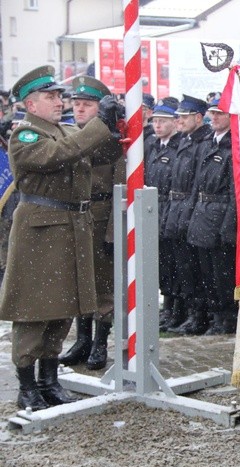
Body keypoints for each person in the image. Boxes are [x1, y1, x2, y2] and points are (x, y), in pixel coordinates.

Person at [0, 65, 123, 410]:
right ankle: (27, 386)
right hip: (41, 230)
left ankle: (48, 381)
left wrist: (115, 128)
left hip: (71, 227)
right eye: (50, 96)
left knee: (62, 306)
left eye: (58, 95)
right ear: (30, 104)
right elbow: (59, 155)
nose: (59, 101)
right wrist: (98, 126)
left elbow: (99, 155)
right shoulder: (25, 135)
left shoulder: (64, 130)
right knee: (34, 309)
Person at [59, 76, 126, 370]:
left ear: (101, 109)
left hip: (100, 217)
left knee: (102, 285)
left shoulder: (114, 141)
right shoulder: (69, 135)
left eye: (87, 105)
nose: (79, 110)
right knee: (78, 282)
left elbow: (119, 186)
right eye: (76, 104)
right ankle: (82, 339)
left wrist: (113, 232)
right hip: (75, 217)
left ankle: (100, 342)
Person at [187, 98, 240, 335]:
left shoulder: (239, 150)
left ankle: (226, 318)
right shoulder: (208, 145)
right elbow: (196, 185)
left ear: (231, 117)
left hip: (220, 217)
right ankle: (214, 315)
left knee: (222, 273)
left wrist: (229, 228)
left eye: (219, 114)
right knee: (206, 272)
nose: (213, 117)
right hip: (203, 216)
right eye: (212, 113)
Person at [165, 94, 213, 336]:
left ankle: (199, 315)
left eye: (184, 117)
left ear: (198, 117)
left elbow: (196, 183)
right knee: (180, 267)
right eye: (179, 117)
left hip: (191, 211)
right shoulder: (186, 140)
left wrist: (190, 214)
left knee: (195, 269)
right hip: (177, 209)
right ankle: (181, 312)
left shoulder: (203, 142)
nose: (179, 121)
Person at [145, 98, 183, 332]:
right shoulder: (151, 144)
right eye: (155, 121)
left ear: (174, 123)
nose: (157, 126)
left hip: (171, 206)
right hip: (153, 208)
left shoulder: (179, 146)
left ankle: (177, 309)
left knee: (176, 263)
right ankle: (167, 306)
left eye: (162, 121)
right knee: (161, 264)